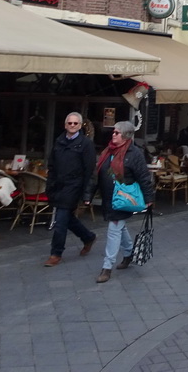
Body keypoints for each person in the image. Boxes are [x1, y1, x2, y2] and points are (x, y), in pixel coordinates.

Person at [88, 120, 154, 284]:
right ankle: (129, 253)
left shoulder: (134, 153)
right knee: (119, 226)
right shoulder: (108, 151)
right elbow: (97, 174)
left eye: (117, 133)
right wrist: (88, 195)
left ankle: (107, 267)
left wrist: (149, 198)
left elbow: (143, 177)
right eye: (114, 132)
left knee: (114, 229)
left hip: (123, 198)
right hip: (109, 197)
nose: (113, 134)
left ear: (126, 136)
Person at [43, 112, 96, 267]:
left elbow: (90, 171)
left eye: (75, 123)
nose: (72, 126)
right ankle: (88, 237)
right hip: (58, 186)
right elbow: (52, 166)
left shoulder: (85, 144)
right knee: (66, 219)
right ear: (65, 125)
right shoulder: (59, 141)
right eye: (70, 123)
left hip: (73, 187)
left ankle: (55, 253)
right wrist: (49, 185)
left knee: (60, 220)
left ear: (80, 126)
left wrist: (87, 193)